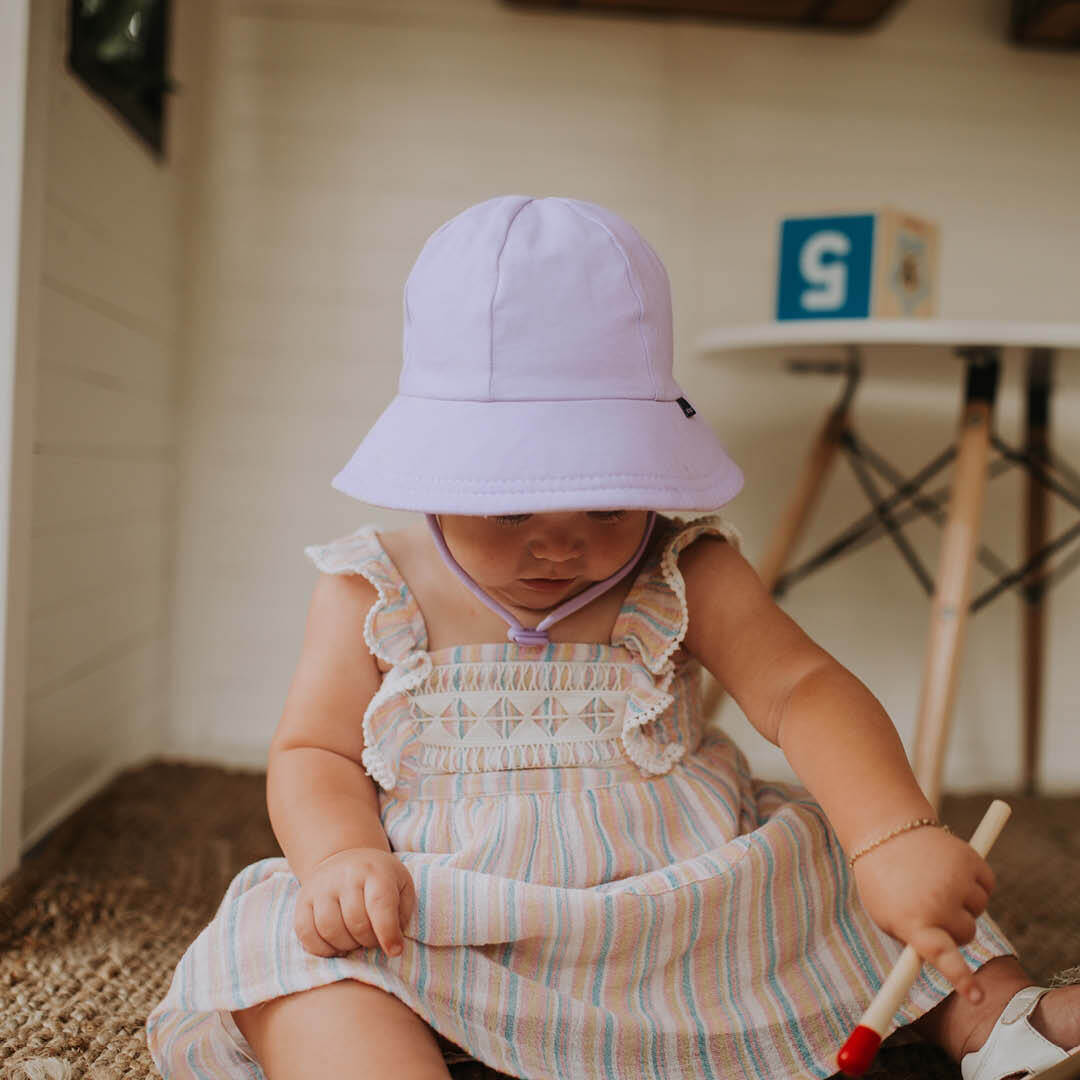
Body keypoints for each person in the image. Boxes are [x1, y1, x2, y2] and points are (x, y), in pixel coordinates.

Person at [146, 195, 1079, 1080]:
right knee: (295, 947)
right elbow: (314, 748)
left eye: (605, 496)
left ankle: (1002, 1020)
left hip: (686, 899)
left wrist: (892, 838)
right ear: (433, 472)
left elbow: (803, 690)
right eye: (509, 506)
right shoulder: (372, 586)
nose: (562, 544)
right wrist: (345, 856)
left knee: (828, 870)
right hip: (450, 903)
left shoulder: (684, 566)